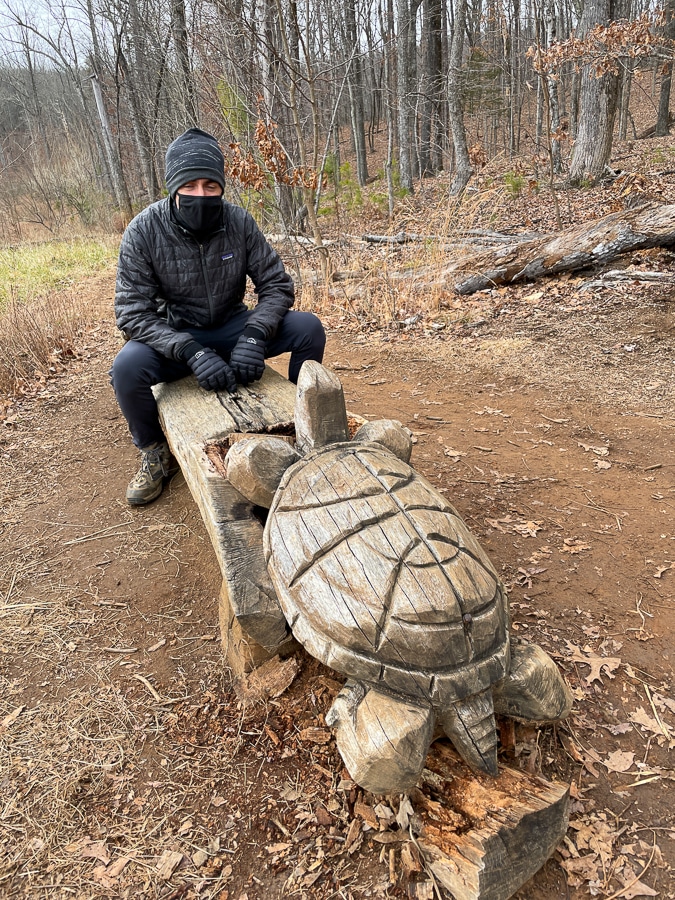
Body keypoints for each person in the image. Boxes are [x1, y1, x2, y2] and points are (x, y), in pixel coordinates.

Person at [111, 127, 326, 506]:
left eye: (210, 186)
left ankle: (302, 424)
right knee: (127, 367)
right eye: (189, 185)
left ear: (222, 186)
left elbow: (276, 285)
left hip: (233, 326)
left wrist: (255, 336)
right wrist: (191, 352)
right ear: (172, 187)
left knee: (308, 328)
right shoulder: (143, 230)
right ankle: (155, 453)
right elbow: (132, 313)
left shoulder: (239, 222)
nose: (201, 194)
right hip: (177, 334)